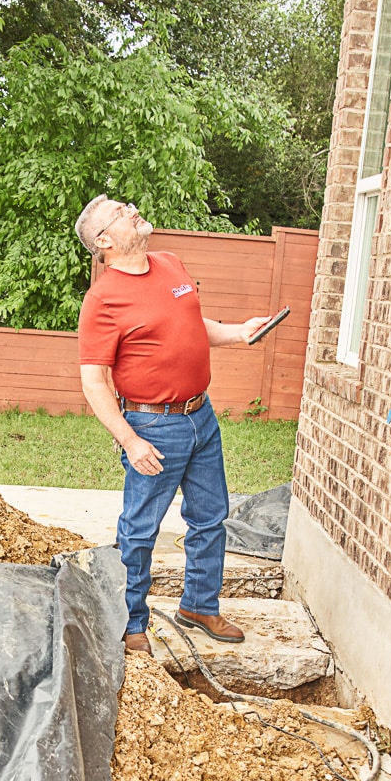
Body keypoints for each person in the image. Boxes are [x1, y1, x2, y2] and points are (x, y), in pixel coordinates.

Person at [75, 195, 270, 655]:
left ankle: (199, 605)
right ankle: (132, 621)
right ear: (104, 241)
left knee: (210, 518)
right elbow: (94, 381)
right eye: (120, 213)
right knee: (140, 530)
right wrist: (130, 438)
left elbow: (191, 324)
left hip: (201, 416)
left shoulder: (169, 263)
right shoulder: (102, 300)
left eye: (126, 205)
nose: (131, 210)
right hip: (153, 426)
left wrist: (238, 332)